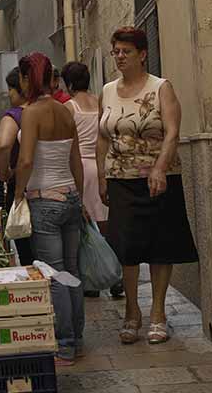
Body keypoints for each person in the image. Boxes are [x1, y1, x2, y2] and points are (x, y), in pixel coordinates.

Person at [97, 27, 198, 345]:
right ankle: (131, 311)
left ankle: (157, 313)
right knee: (125, 248)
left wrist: (159, 168)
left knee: (159, 245)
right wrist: (102, 175)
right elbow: (103, 136)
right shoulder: (107, 90)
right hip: (121, 180)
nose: (120, 57)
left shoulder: (160, 88)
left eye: (126, 51)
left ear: (142, 54)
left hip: (158, 179)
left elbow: (172, 132)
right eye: (116, 51)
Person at [15, 52, 85, 365]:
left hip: (44, 199)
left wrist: (18, 195)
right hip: (70, 196)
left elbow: (26, 159)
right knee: (71, 272)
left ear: (28, 79)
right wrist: (79, 198)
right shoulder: (66, 110)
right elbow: (76, 161)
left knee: (54, 274)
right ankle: (77, 338)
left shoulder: (30, 113)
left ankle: (65, 344)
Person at [62, 62, 123, 299]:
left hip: (82, 167)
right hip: (103, 165)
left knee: (86, 227)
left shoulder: (69, 107)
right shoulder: (100, 101)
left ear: (68, 84)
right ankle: (114, 274)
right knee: (106, 223)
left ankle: (92, 277)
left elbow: (69, 145)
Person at [0, 66, 32, 266]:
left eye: (10, 89)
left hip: (22, 186)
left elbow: (2, 145)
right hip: (55, 188)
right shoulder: (52, 109)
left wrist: (5, 172)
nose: (9, 94)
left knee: (27, 248)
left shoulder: (15, 115)